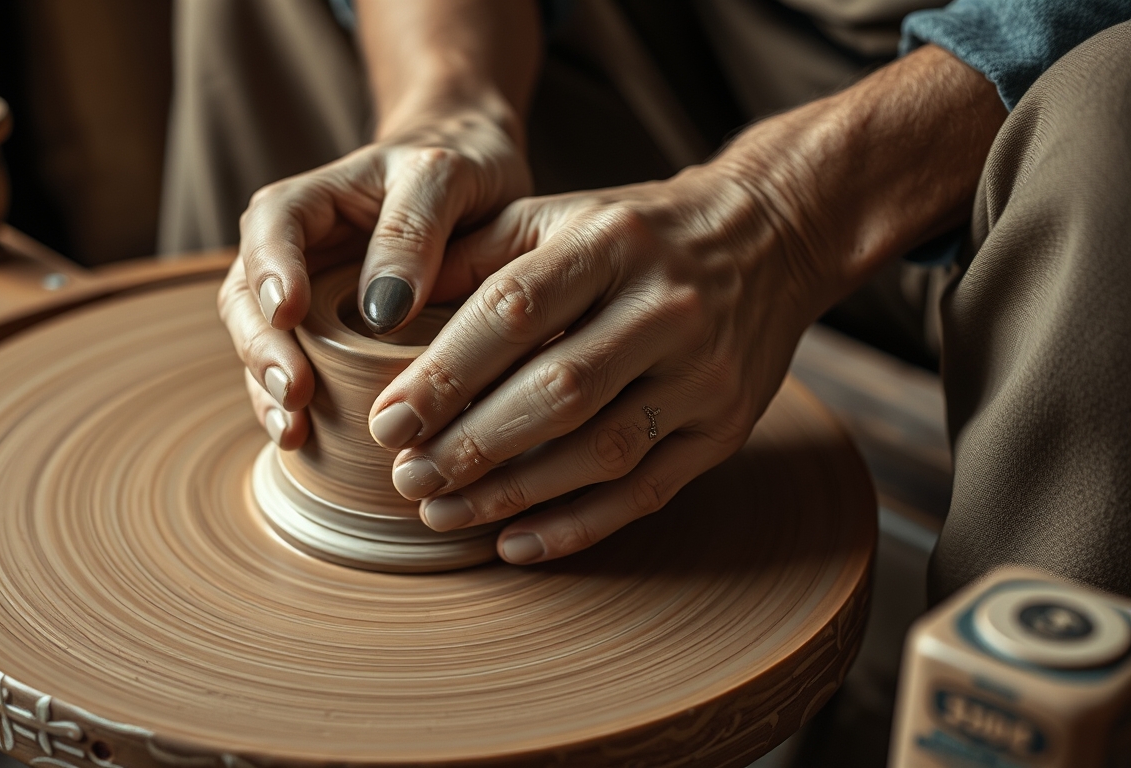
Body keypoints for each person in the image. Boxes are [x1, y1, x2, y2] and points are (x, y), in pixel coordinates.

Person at [160, 0, 1131, 603]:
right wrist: (447, 101)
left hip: (1012, 141)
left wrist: (781, 214)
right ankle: (220, 530)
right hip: (702, 68)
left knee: (1113, 123)